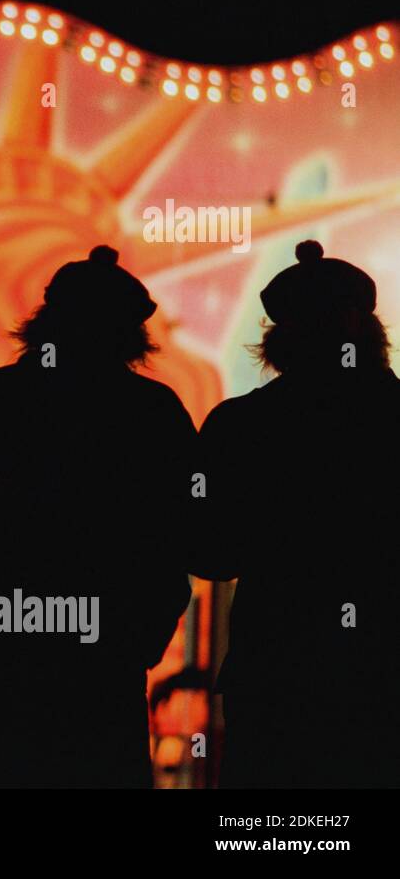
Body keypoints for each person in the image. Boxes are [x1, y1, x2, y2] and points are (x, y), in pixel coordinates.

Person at [0, 244, 194, 788]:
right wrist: (144, 631)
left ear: (46, 322)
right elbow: (183, 534)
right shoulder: (153, 412)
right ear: (130, 335)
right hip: (105, 659)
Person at [195, 240, 400, 788]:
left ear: (281, 339)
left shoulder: (238, 425)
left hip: (272, 676)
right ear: (363, 327)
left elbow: (211, 553)